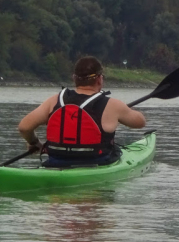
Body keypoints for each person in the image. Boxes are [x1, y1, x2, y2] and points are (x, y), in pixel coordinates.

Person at [17, 56, 146, 167]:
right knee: (116, 150)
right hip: (96, 162)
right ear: (99, 79)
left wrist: (34, 143)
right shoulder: (112, 104)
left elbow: (24, 127)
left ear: (74, 78)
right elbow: (140, 122)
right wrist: (123, 110)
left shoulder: (55, 100)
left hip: (57, 161)